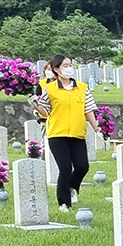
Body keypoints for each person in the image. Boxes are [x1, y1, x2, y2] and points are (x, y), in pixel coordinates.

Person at [38, 55, 100, 212]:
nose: (69, 68)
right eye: (65, 65)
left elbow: (89, 109)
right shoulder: (50, 89)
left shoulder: (82, 87)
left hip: (77, 133)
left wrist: (97, 128)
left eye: (70, 65)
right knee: (65, 168)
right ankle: (64, 203)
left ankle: (71, 186)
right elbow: (44, 111)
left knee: (82, 167)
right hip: (57, 134)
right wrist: (34, 102)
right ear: (57, 70)